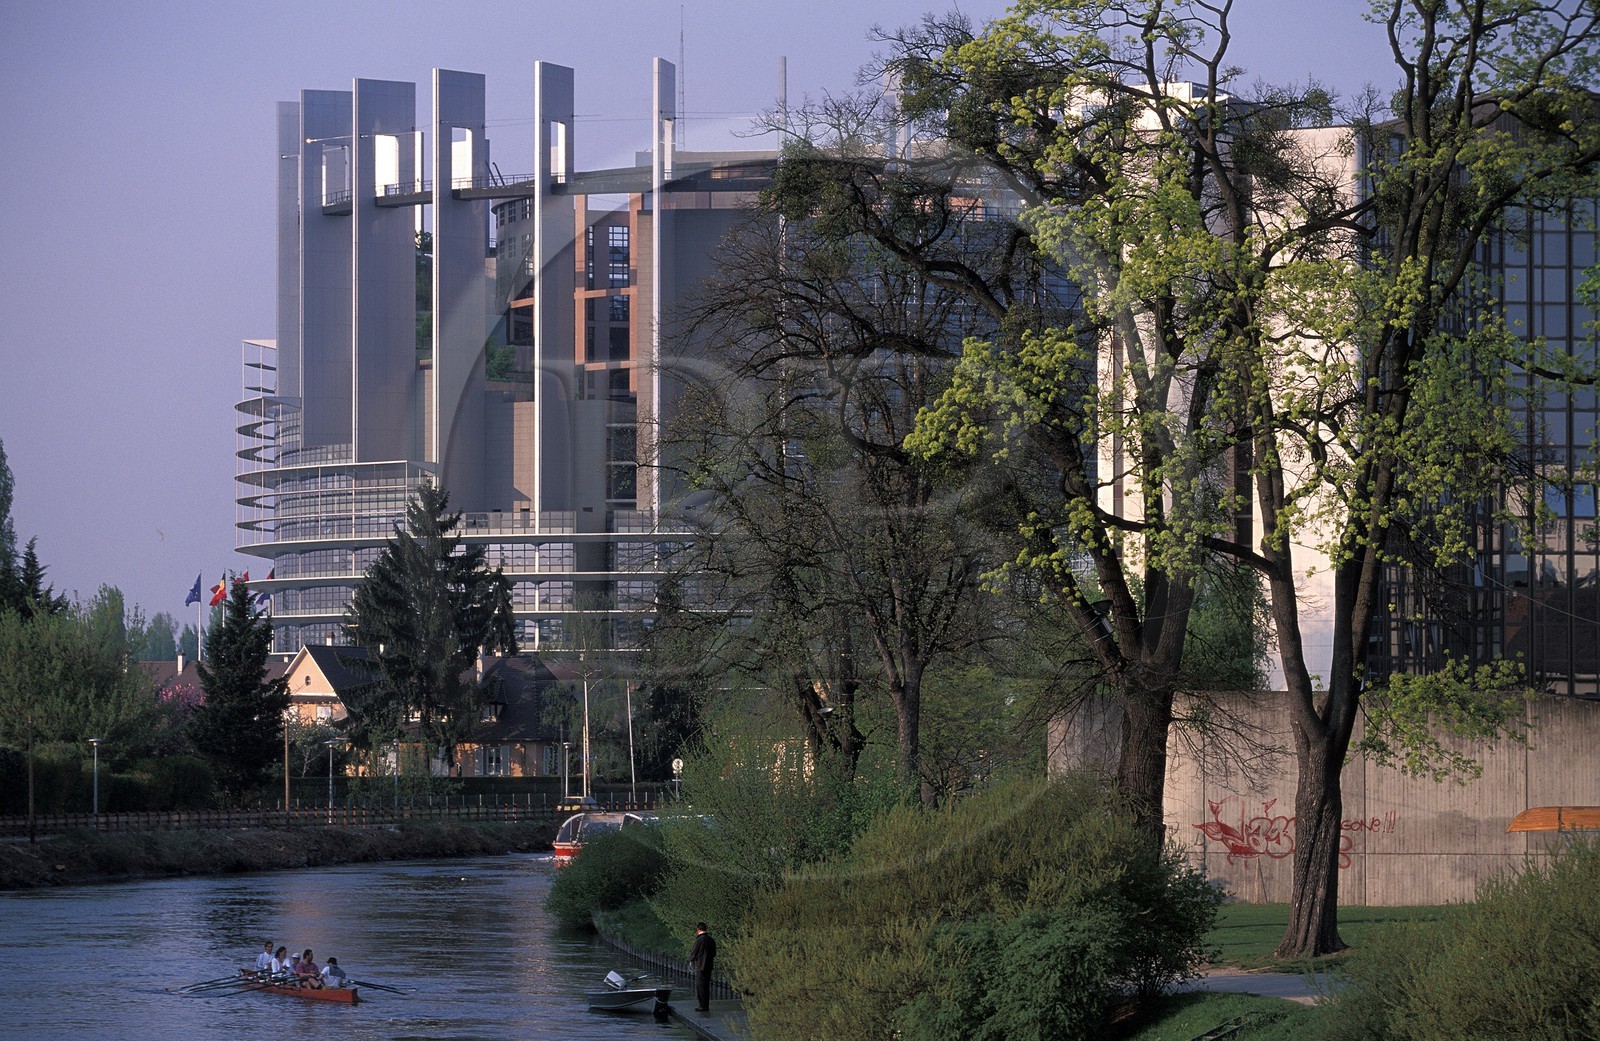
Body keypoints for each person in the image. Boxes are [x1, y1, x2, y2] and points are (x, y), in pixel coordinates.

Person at [689, 922, 717, 1012]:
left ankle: (702, 1006)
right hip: (709, 966)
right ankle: (706, 1005)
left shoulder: (699, 940)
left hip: (701, 966)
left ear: (698, 930)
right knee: (706, 986)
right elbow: (714, 953)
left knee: (700, 986)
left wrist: (691, 959)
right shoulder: (711, 939)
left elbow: (694, 953)